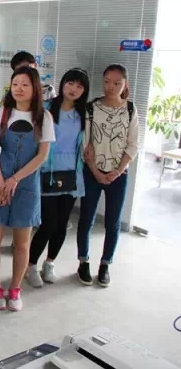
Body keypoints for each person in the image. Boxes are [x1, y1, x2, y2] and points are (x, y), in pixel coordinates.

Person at [0, 66, 55, 312]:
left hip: (26, 186)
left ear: (35, 88)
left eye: (25, 84)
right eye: (15, 84)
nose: (19, 88)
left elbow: (42, 156)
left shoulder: (44, 117)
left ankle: (15, 289)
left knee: (22, 244)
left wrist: (15, 179)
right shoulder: (2, 112)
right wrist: (0, 180)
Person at [26, 68, 90, 288]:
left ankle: (49, 263)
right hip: (47, 171)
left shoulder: (83, 115)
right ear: (63, 84)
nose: (74, 89)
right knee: (48, 222)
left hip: (72, 173)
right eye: (70, 83)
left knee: (62, 224)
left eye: (79, 86)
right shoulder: (46, 109)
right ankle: (30, 265)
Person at [77, 64, 139, 287]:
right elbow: (86, 145)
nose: (111, 86)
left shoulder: (130, 109)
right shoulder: (92, 108)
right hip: (92, 172)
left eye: (117, 83)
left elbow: (133, 144)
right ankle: (83, 262)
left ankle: (105, 264)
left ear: (125, 84)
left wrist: (118, 171)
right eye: (107, 82)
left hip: (118, 176)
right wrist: (95, 171)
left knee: (113, 222)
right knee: (86, 218)